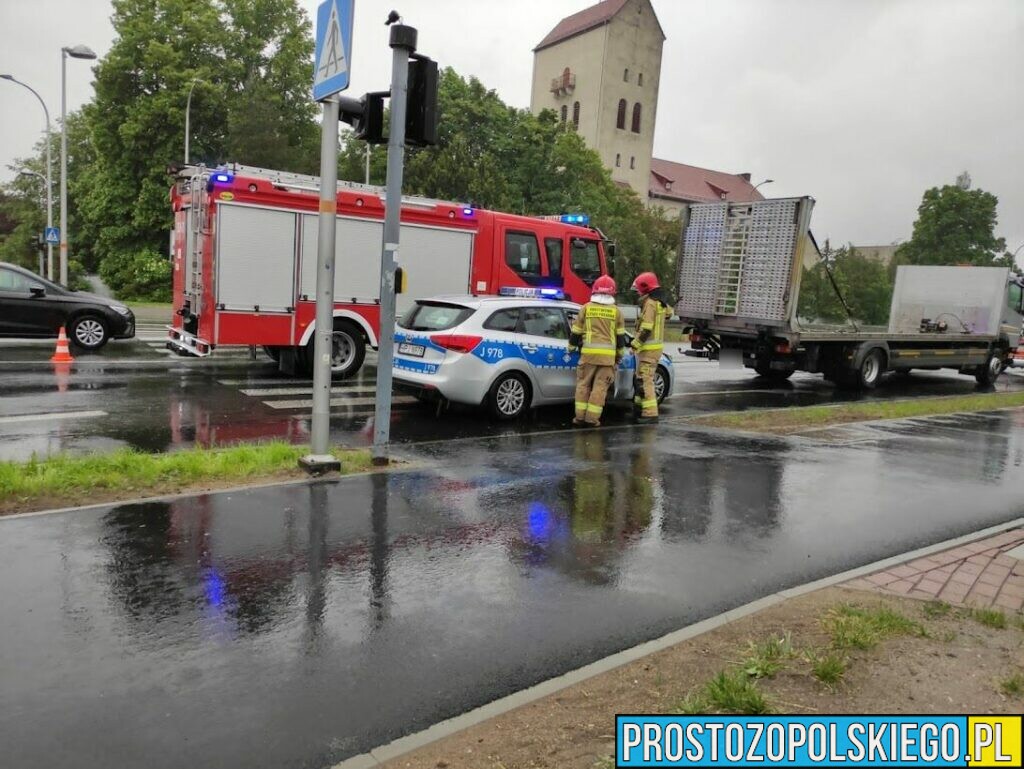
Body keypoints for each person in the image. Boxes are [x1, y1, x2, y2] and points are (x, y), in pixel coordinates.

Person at [568, 275, 626, 427]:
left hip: (588, 356)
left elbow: (576, 331)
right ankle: (592, 420)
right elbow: (620, 338)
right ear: (612, 292)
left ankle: (579, 418)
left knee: (583, 385)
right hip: (607, 360)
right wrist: (619, 355)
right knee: (599, 389)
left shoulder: (586, 308)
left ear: (594, 290)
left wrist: (571, 348)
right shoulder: (616, 312)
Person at [630, 271, 673, 422]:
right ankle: (638, 409)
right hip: (653, 350)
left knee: (645, 380)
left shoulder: (650, 303)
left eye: (639, 289)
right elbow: (669, 313)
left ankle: (650, 414)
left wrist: (634, 345)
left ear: (645, 288)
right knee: (640, 379)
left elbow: (646, 329)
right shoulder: (660, 303)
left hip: (648, 350)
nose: (638, 293)